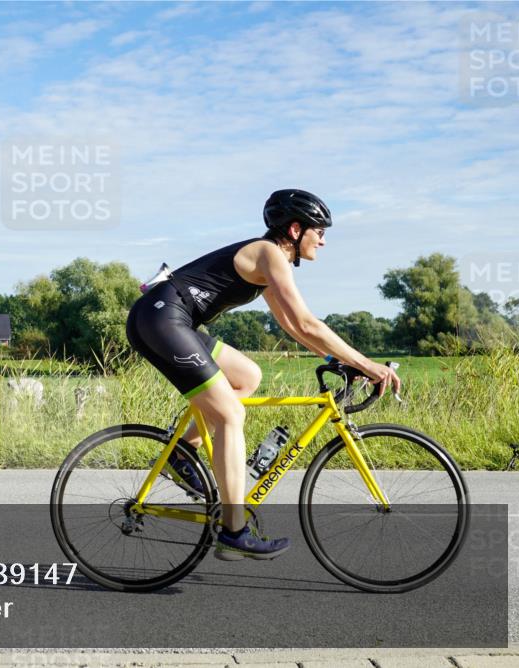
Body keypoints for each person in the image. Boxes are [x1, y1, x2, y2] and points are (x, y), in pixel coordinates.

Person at [125, 189, 402, 561]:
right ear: (294, 229)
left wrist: (337, 359)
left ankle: (182, 450)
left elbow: (293, 326)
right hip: (161, 319)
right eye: (318, 230)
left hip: (174, 321)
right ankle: (234, 531)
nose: (323, 239)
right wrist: (367, 364)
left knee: (248, 376)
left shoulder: (270, 263)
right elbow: (306, 321)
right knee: (230, 414)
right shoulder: (269, 253)